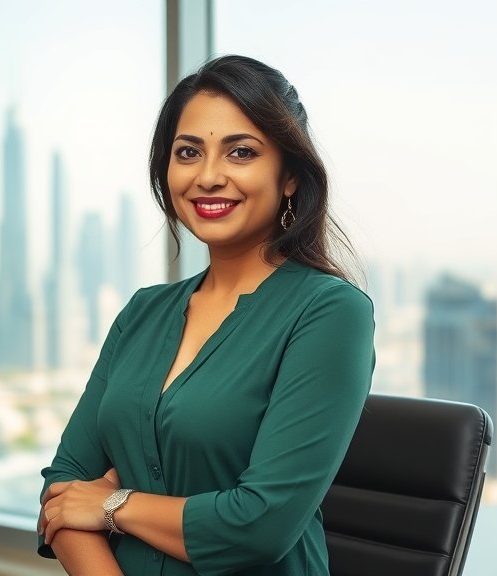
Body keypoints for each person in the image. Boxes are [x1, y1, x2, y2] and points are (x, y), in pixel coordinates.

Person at [37, 55, 375, 576]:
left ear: (289, 177)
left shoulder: (329, 313)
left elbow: (259, 527)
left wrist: (111, 504)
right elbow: (61, 489)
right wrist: (90, 504)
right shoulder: (142, 313)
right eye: (188, 152)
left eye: (241, 152)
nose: (209, 176)